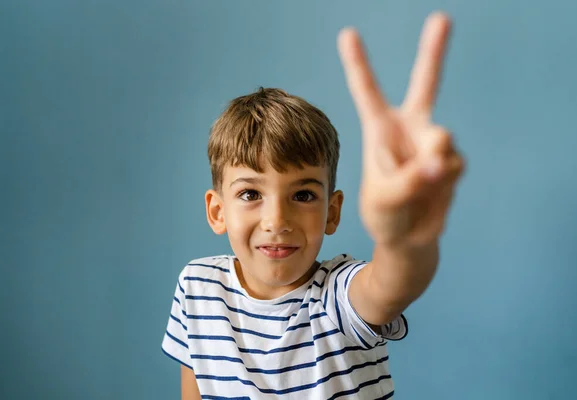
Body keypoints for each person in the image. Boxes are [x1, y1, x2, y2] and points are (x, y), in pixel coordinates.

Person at [161, 11, 465, 400]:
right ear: (217, 211)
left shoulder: (338, 297)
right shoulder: (198, 288)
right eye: (251, 194)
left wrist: (404, 236)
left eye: (302, 195)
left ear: (332, 211)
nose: (276, 220)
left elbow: (393, 283)